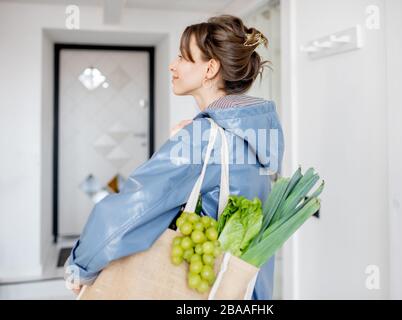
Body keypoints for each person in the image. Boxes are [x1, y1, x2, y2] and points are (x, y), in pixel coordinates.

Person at [65, 14, 284, 300]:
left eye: (183, 57)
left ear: (210, 68)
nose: (172, 65)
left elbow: (134, 207)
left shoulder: (203, 138)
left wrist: (81, 266)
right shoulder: (256, 132)